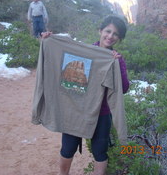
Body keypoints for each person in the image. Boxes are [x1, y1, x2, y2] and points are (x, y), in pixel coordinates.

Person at [41, 15, 129, 175]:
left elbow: (123, 88)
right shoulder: (85, 53)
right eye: (108, 31)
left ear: (119, 38)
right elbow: (63, 64)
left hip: (101, 114)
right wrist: (49, 41)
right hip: (76, 111)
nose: (110, 36)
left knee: (100, 152)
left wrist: (117, 66)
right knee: (68, 149)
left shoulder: (115, 59)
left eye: (115, 34)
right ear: (100, 31)